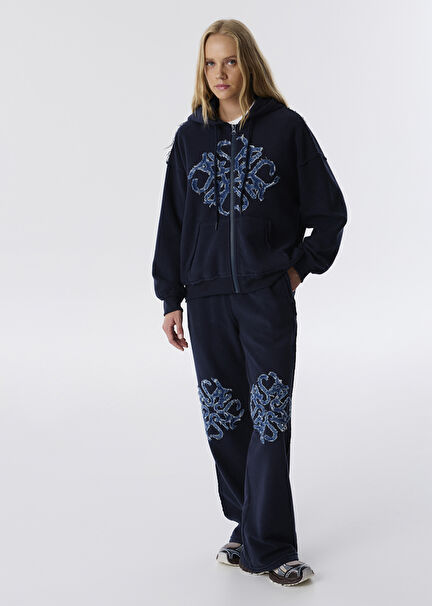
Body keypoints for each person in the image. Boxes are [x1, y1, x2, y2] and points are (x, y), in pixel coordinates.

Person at [152, 19, 347, 587]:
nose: (220, 73)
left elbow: (329, 212)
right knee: (225, 421)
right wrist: (170, 298)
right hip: (207, 299)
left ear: (249, 65)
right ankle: (246, 525)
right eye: (211, 63)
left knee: (269, 419)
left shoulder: (286, 129)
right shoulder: (190, 138)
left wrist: (296, 269)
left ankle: (273, 547)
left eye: (231, 61)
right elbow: (172, 223)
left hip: (265, 298)